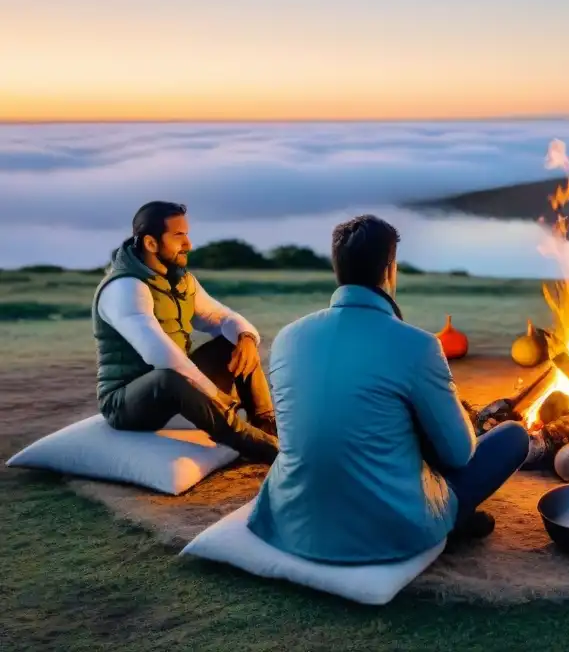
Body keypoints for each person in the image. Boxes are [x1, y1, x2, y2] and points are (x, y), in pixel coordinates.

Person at [247, 214, 529, 564]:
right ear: (389, 270)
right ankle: (452, 522)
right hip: (389, 532)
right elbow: (458, 455)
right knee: (514, 436)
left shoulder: (288, 338)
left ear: (339, 269)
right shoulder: (418, 346)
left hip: (293, 520)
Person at [92, 201, 279, 464]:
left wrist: (246, 338)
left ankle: (266, 425)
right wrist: (213, 395)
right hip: (126, 402)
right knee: (169, 378)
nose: (188, 244)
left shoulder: (180, 280)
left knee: (233, 342)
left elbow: (223, 317)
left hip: (178, 385)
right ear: (150, 244)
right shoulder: (124, 288)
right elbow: (161, 356)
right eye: (179, 236)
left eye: (187, 234)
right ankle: (256, 445)